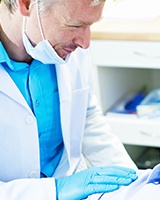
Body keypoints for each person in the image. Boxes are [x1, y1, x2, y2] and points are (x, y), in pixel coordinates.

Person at [0, 0, 138, 199]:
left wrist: (132, 183)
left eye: (90, 25)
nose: (85, 42)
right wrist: (55, 191)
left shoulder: (64, 47)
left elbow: (86, 115)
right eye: (75, 25)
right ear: (27, 4)